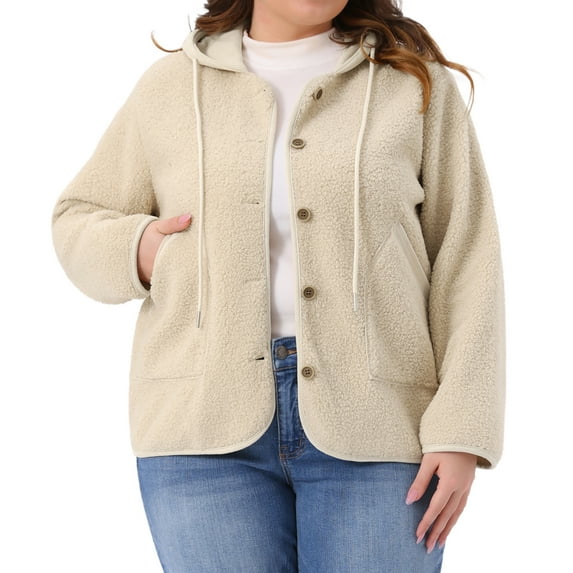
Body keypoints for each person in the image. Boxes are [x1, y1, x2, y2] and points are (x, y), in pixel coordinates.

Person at [52, 0, 505, 571]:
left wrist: (462, 428)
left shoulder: (411, 83)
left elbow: (467, 257)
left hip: (381, 422)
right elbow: (76, 217)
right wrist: (142, 250)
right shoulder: (171, 87)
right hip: (200, 429)